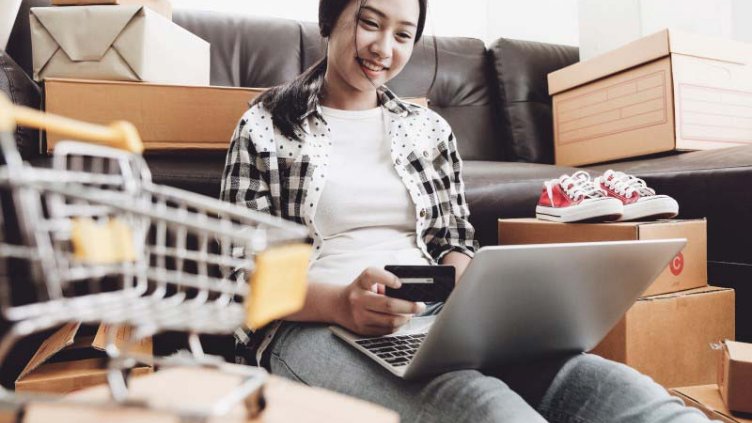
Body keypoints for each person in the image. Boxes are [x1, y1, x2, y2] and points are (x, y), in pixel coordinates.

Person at [220, 0, 711, 421]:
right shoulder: (266, 126)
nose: (383, 48)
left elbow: (453, 242)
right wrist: (343, 302)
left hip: (436, 322)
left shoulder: (427, 130)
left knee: (626, 397)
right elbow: (240, 276)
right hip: (310, 328)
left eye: (403, 34)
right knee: (488, 410)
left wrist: (470, 304)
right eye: (370, 22)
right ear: (331, 17)